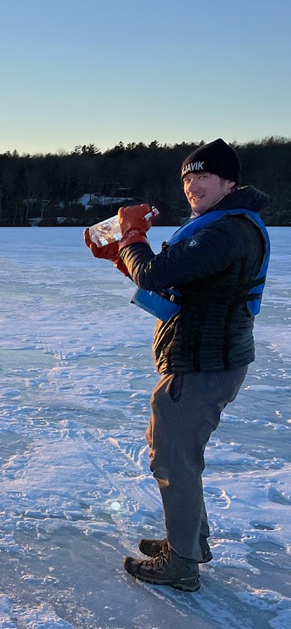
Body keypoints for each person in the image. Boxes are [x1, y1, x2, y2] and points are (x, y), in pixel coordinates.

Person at [87, 138, 270, 592]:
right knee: (178, 452)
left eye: (203, 176)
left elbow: (157, 273)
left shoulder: (226, 232)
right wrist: (122, 254)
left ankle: (182, 562)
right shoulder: (220, 226)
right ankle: (191, 540)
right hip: (206, 358)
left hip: (203, 364)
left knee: (173, 458)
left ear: (230, 181)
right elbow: (165, 275)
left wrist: (132, 239)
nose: (192, 186)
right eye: (187, 178)